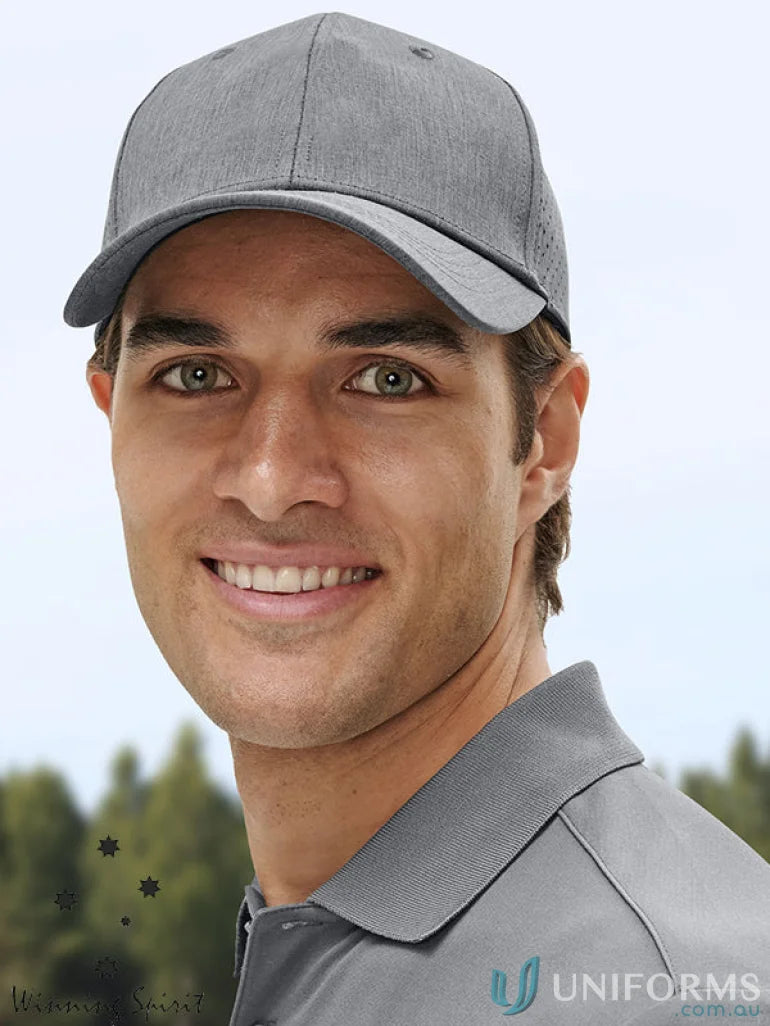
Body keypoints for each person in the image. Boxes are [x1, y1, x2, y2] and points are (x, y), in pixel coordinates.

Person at [63, 11, 770, 1025]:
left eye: (386, 378)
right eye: (197, 375)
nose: (271, 480)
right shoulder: (338, 938)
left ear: (543, 441)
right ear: (111, 418)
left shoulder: (664, 998)